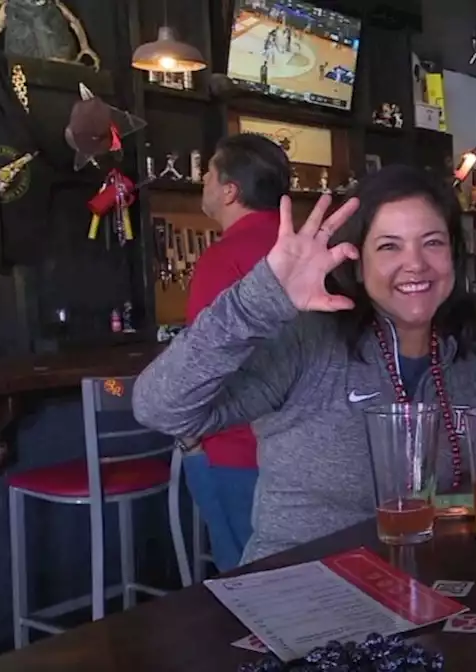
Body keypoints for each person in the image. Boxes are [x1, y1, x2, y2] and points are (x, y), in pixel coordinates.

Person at [134, 166, 476, 564]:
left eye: (432, 243)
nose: (416, 264)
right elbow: (158, 408)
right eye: (389, 246)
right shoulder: (309, 344)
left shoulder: (467, 373)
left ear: (454, 257)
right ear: (358, 263)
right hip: (299, 589)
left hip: (417, 589)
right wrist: (262, 298)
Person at [180, 133, 290, 572]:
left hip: (238, 451)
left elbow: (200, 365)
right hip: (301, 449)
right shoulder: (302, 251)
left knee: (245, 583)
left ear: (230, 190)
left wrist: (190, 442)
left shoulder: (221, 259)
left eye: (207, 172)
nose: (202, 182)